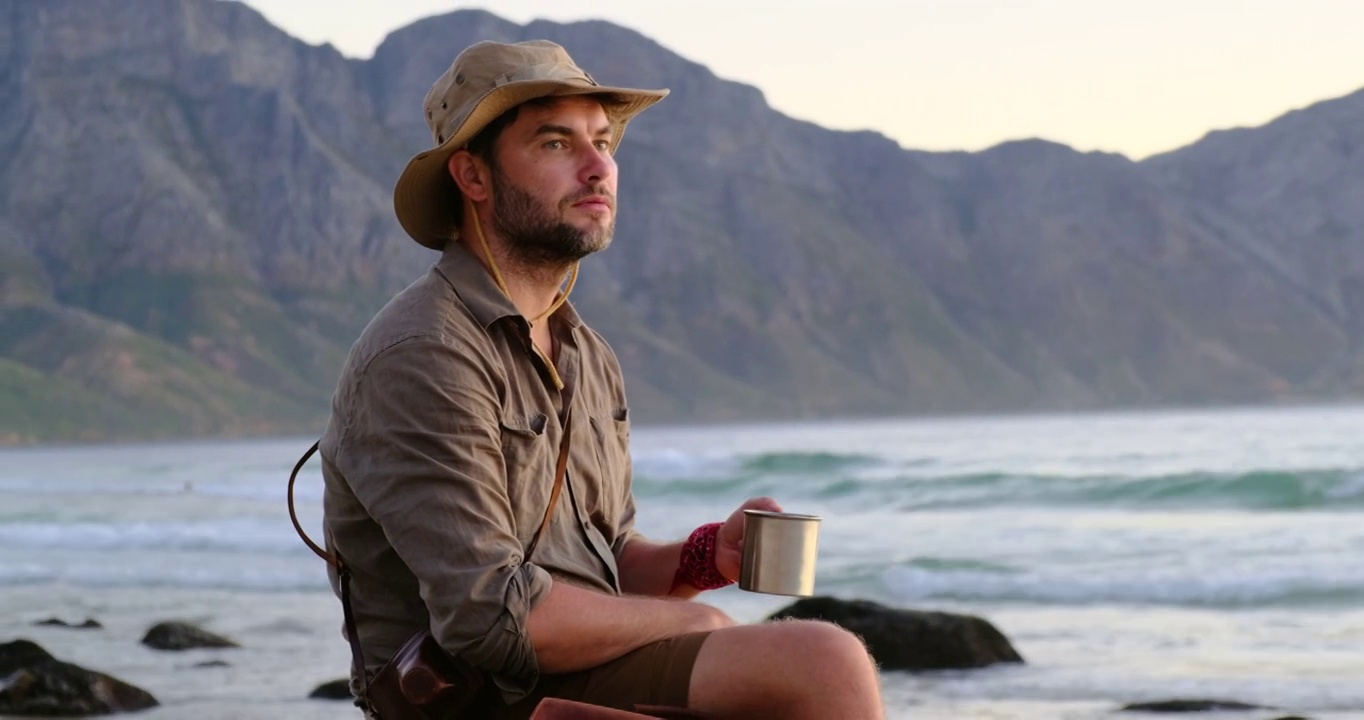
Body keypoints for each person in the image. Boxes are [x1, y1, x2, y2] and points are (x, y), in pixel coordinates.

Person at [318, 39, 885, 719]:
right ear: (473, 177)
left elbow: (607, 560)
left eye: (604, 142)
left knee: (796, 670)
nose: (597, 168)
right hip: (479, 697)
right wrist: (694, 624)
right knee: (822, 662)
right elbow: (493, 619)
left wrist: (707, 558)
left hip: (573, 674)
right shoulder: (423, 354)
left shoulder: (584, 352)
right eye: (557, 144)